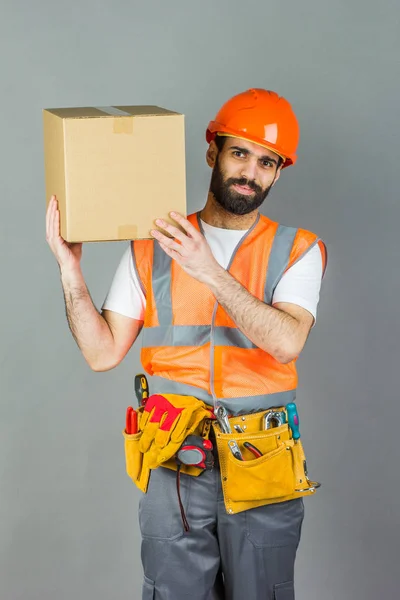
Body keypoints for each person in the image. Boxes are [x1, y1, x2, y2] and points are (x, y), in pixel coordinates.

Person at [46, 88, 327, 600]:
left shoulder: (298, 249)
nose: (250, 171)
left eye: (267, 161)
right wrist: (70, 270)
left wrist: (207, 269)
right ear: (212, 152)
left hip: (260, 462)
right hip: (176, 460)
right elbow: (101, 353)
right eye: (239, 152)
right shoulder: (150, 247)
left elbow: (287, 343)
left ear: (279, 172)